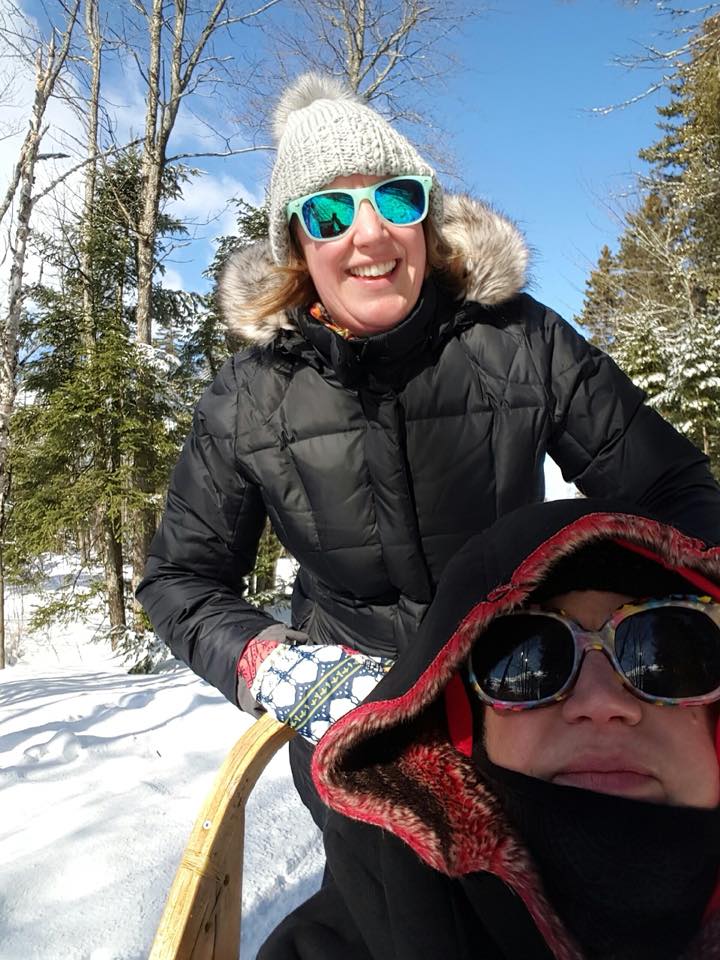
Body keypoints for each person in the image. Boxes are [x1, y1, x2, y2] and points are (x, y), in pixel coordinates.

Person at [136, 71, 720, 823]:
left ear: (426, 220)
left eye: (396, 197)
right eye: (328, 211)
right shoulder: (247, 396)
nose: (370, 233)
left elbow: (674, 491)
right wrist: (273, 662)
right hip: (351, 725)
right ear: (296, 245)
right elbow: (180, 579)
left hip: (515, 695)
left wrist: (633, 624)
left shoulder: (522, 341)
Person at [259, 498, 720, 960]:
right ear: (467, 724)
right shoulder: (375, 916)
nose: (601, 702)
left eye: (665, 657)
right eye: (530, 659)